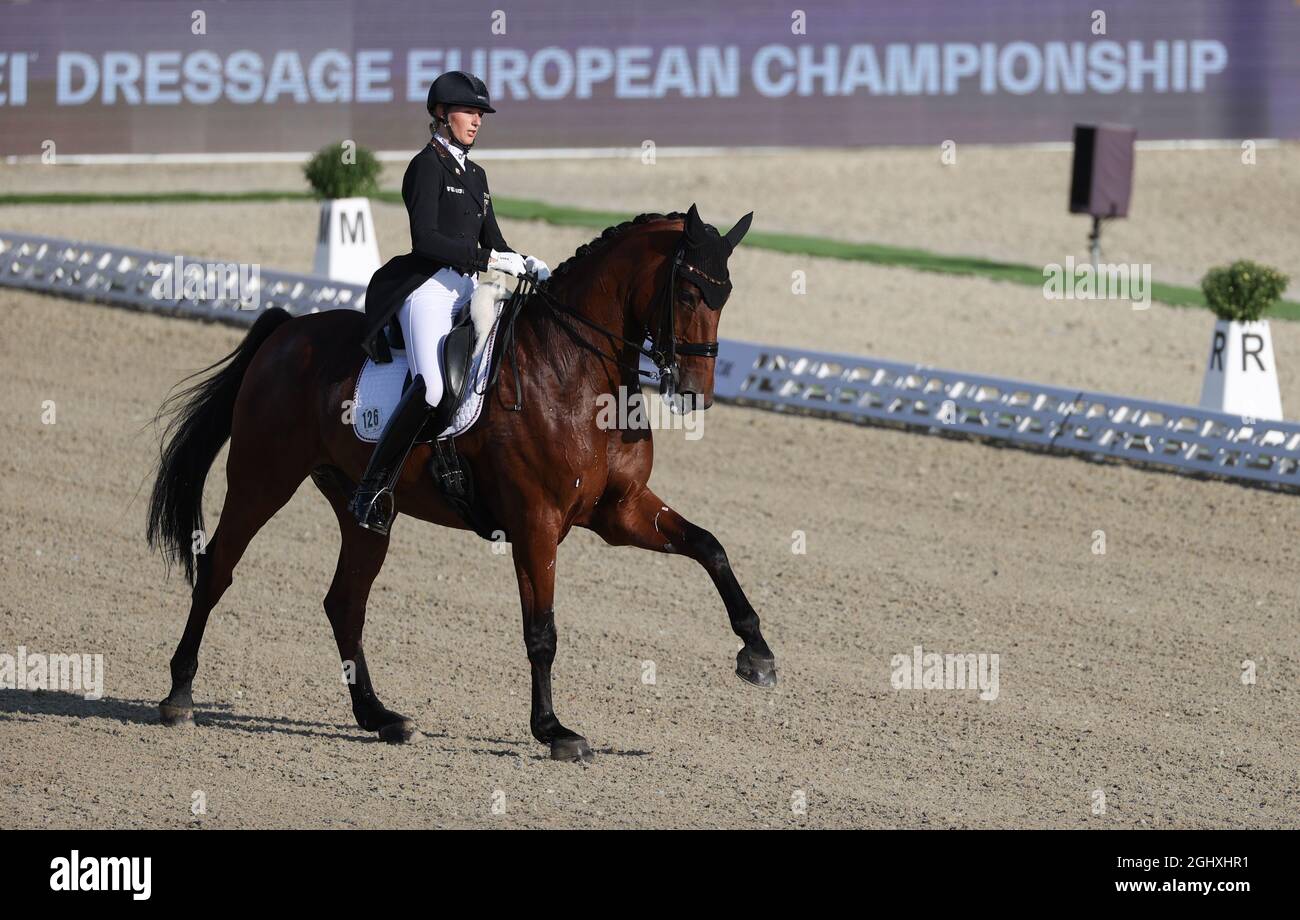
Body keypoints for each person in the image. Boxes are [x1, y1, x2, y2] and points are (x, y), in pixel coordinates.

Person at [350, 70, 549, 534]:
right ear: (442, 114)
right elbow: (426, 240)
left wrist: (526, 262)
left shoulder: (477, 175)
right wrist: (487, 257)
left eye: (480, 113)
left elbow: (494, 240)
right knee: (434, 388)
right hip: (427, 287)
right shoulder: (425, 166)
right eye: (469, 112)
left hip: (467, 288)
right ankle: (371, 488)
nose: (477, 121)